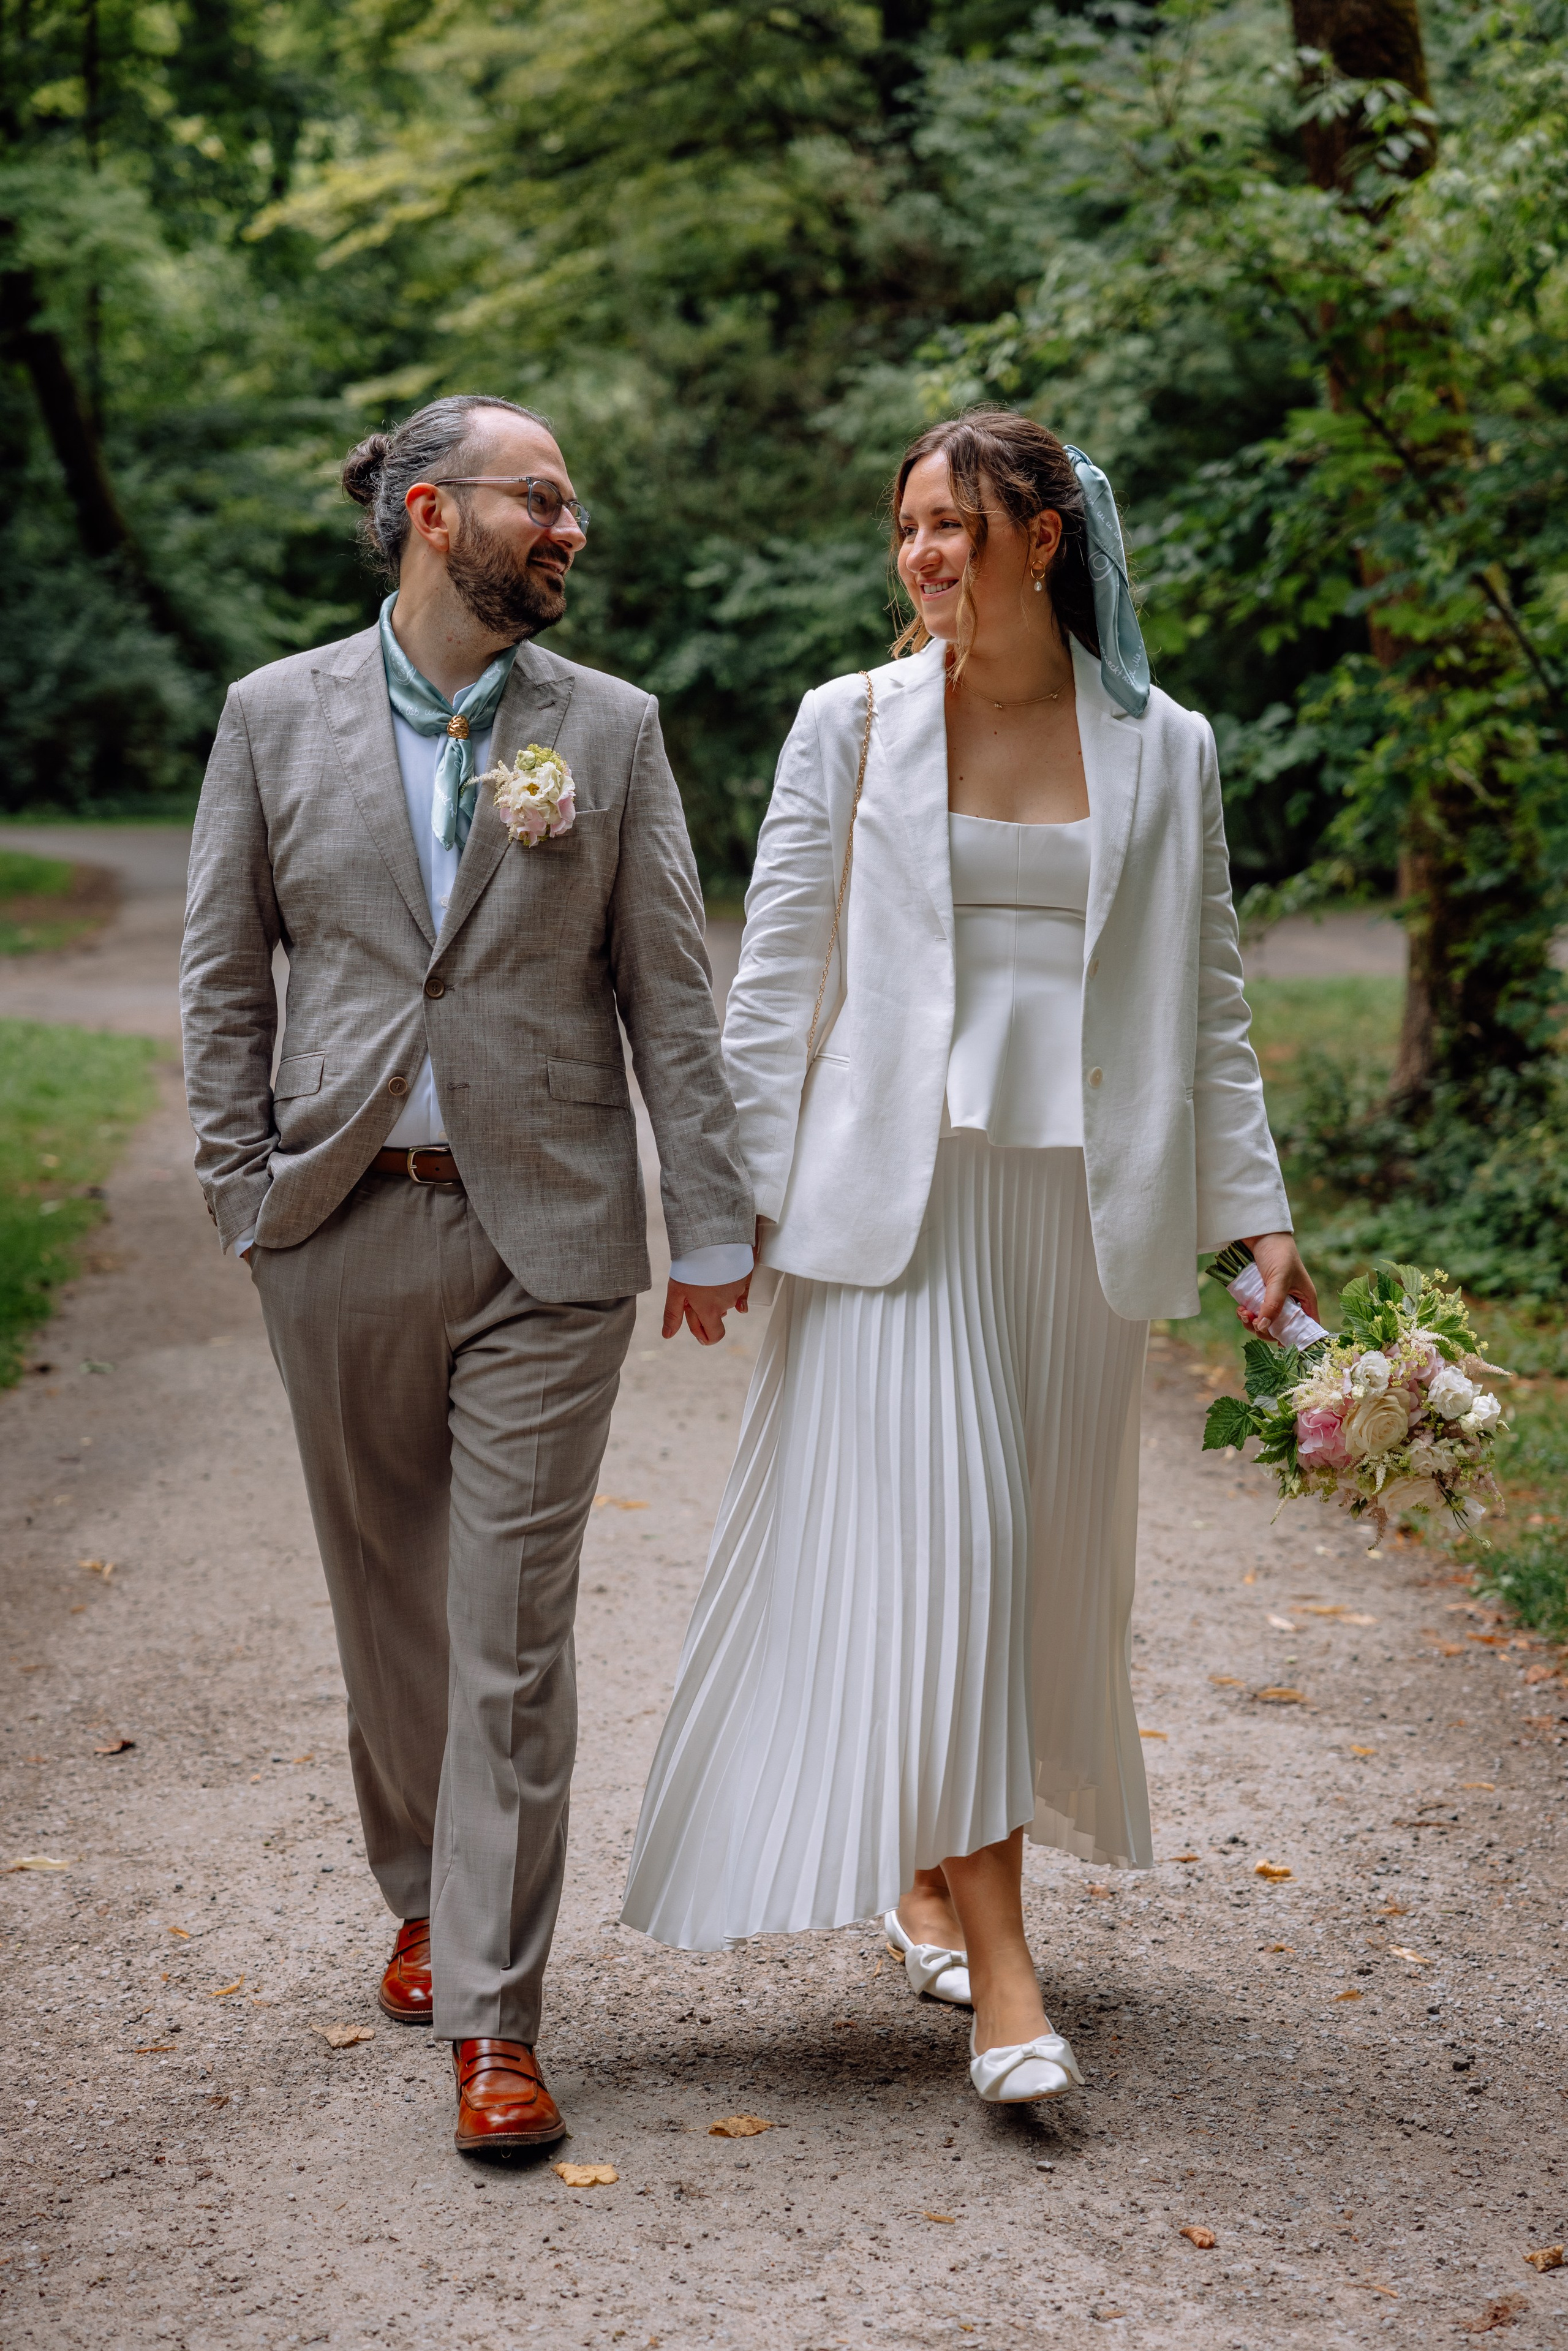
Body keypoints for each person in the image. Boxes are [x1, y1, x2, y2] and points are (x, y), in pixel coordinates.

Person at [620, 407, 1314, 2108]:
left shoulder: (1170, 747)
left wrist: (1259, 1205)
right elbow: (771, 984)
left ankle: (932, 1870)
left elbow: (1204, 1002)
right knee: (964, 1544)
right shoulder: (845, 728)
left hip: (1075, 1220)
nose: (927, 553)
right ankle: (1010, 1976)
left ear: (1044, 537)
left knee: (1025, 1575)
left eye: (957, 524)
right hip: (891, 1212)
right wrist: (726, 1215)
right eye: (908, 526)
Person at [179, 394, 755, 2157]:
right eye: (544, 501)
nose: (571, 529)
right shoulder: (272, 717)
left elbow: (668, 978)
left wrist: (709, 1216)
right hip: (338, 1217)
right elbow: (224, 977)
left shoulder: (615, 731)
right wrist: (237, 1192)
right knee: (390, 1604)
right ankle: (425, 1884)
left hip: (552, 1235)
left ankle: (499, 2022)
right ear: (437, 515)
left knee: (510, 1632)